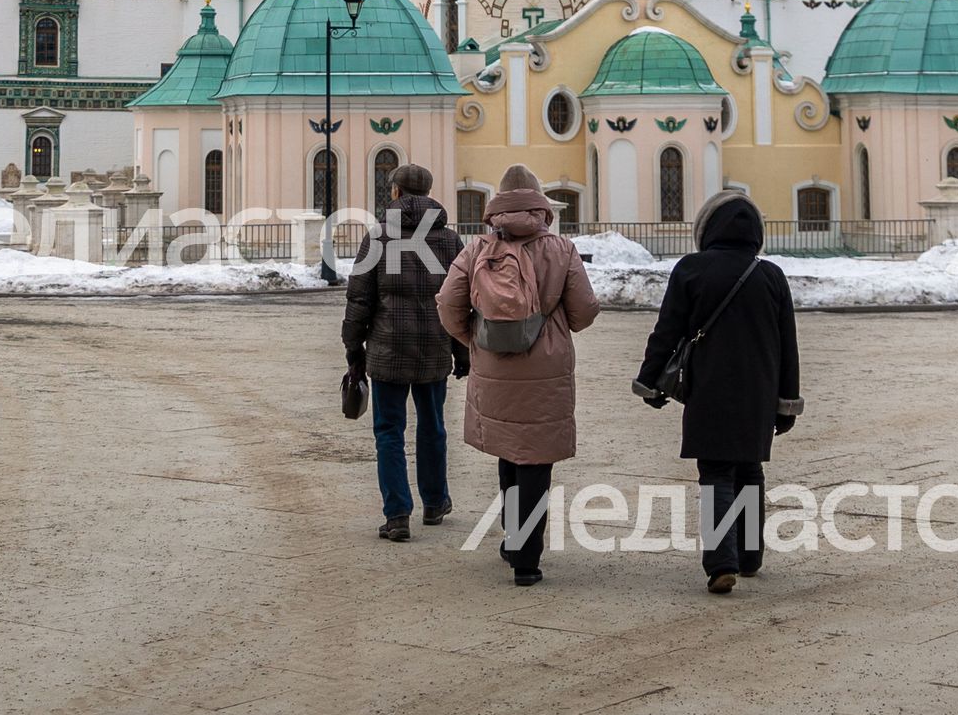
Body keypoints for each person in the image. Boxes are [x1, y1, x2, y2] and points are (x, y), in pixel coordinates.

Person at [436, 164, 599, 587]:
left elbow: (448, 304)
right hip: (546, 365)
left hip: (492, 363)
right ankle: (527, 558)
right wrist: (555, 325)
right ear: (541, 206)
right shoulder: (561, 250)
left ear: (498, 207)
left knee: (509, 448)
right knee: (536, 459)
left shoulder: (477, 250)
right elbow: (583, 311)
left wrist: (474, 337)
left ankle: (513, 537)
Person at [635, 192, 802, 594]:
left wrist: (650, 378)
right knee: (749, 469)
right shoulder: (770, 275)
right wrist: (787, 402)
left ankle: (721, 563)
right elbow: (787, 345)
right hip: (758, 392)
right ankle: (749, 555)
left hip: (708, 388)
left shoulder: (691, 270)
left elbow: (667, 331)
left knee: (715, 473)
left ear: (706, 230)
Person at [341, 165, 459, 540]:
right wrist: (465, 351)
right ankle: (435, 501)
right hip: (435, 348)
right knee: (433, 426)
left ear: (395, 193)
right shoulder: (451, 242)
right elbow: (461, 302)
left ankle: (397, 515)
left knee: (389, 431)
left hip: (387, 349)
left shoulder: (378, 237)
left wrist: (353, 347)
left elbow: (360, 298)